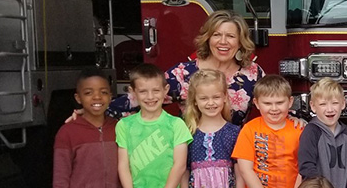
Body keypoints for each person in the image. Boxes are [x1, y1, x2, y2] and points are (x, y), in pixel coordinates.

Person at [109, 10, 263, 126]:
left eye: (230, 36)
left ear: (240, 41)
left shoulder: (253, 73)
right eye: (216, 35)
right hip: (190, 156)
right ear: (208, 39)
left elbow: (277, 101)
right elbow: (142, 98)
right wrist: (95, 113)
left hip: (237, 155)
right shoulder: (184, 73)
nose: (223, 42)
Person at [116, 63, 193, 188]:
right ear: (132, 92)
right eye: (143, 92)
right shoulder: (124, 125)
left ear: (165, 90)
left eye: (156, 91)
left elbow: (179, 165)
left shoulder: (176, 124)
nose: (150, 97)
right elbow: (123, 165)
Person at [232, 75, 304, 188]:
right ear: (256, 103)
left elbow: (303, 170)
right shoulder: (249, 129)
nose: (274, 109)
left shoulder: (299, 130)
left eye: (279, 103)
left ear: (290, 102)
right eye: (267, 103)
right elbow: (246, 170)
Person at [180, 69, 244, 188]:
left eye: (216, 97)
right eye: (204, 98)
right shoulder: (187, 132)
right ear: (195, 101)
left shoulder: (234, 132)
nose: (211, 103)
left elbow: (240, 173)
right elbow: (184, 171)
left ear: (224, 97)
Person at [298, 77, 347, 188]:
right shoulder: (311, 132)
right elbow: (306, 167)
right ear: (313, 106)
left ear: (343, 104)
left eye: (335, 103)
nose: (329, 109)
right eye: (323, 104)